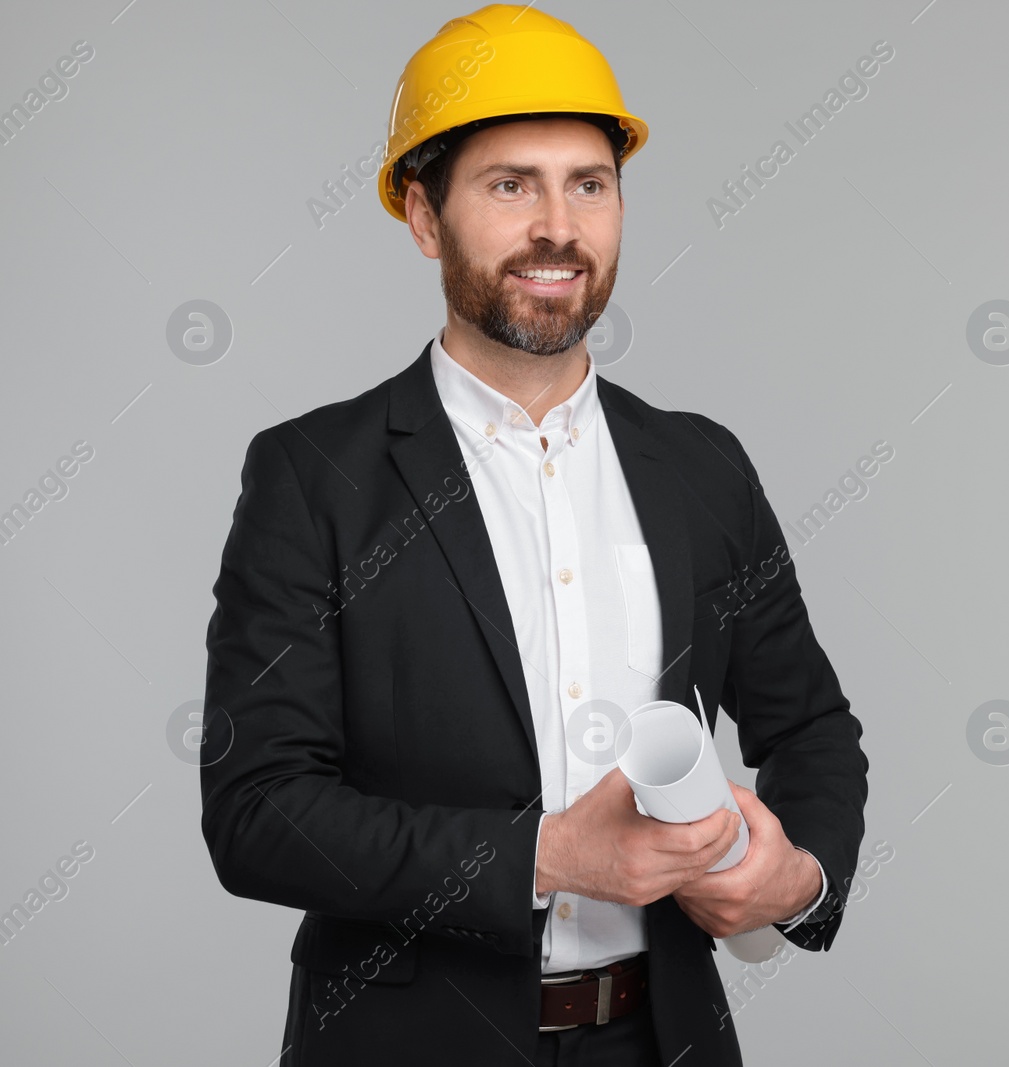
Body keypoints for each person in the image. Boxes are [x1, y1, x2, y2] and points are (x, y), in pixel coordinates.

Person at [198, 7, 869, 1065]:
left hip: (664, 1038)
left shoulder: (701, 466)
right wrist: (546, 855)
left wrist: (799, 876)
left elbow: (813, 726)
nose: (558, 226)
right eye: (511, 184)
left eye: (588, 184)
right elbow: (258, 809)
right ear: (424, 216)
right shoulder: (313, 476)